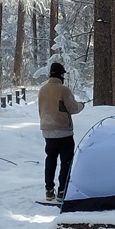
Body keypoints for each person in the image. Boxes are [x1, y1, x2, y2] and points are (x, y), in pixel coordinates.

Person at [37, 61, 84, 200]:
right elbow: (73, 108)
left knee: (50, 160)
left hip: (47, 131)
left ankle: (49, 190)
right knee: (66, 161)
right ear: (61, 75)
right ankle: (62, 190)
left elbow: (40, 110)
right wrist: (82, 105)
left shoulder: (42, 90)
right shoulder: (64, 90)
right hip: (64, 132)